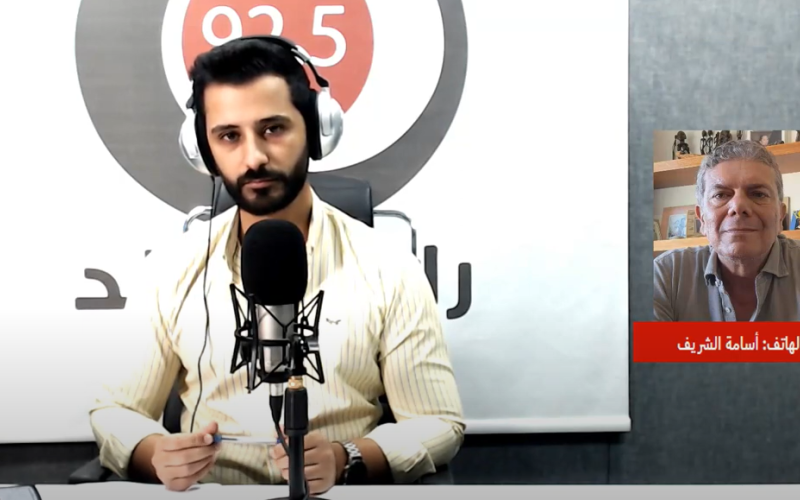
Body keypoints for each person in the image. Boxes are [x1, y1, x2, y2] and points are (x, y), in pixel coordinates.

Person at [89, 37, 465, 493]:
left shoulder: (390, 269)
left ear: (316, 130)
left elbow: (437, 421)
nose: (254, 158)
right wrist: (156, 454)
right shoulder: (171, 270)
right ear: (203, 150)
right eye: (229, 136)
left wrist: (348, 457)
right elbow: (116, 409)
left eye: (273, 129)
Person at [654, 140, 800, 321]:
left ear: (780, 216)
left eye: (758, 194)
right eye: (720, 195)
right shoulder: (666, 275)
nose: (738, 206)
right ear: (702, 218)